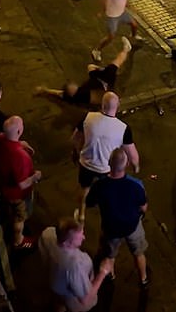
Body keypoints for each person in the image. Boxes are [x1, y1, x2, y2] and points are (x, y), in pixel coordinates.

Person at [72, 90, 140, 223]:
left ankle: (81, 214)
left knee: (84, 188)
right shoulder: (123, 128)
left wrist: (77, 150)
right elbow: (132, 154)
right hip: (106, 168)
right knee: (107, 191)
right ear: (118, 106)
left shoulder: (87, 118)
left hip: (86, 163)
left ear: (102, 105)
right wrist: (136, 166)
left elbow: (74, 138)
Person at [86, 147, 149, 286]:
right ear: (126, 165)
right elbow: (143, 207)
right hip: (132, 226)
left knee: (109, 255)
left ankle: (110, 276)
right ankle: (143, 279)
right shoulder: (136, 185)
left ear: (109, 163)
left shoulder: (99, 186)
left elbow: (89, 203)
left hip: (111, 228)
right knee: (139, 253)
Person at [35, 36, 132, 106]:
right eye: (71, 88)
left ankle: (123, 52)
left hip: (98, 79)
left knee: (91, 66)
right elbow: (58, 93)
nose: (73, 85)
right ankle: (126, 49)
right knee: (116, 63)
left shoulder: (80, 90)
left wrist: (45, 90)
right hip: (104, 83)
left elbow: (58, 93)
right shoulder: (82, 96)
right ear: (71, 93)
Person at [42, 218, 111, 312]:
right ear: (66, 243)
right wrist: (103, 273)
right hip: (72, 297)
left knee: (59, 303)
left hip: (57, 286)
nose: (84, 237)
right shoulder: (74, 266)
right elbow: (85, 300)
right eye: (80, 236)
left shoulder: (48, 234)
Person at [0, 115, 41, 248]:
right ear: (19, 131)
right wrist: (35, 177)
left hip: (2, 185)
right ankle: (18, 241)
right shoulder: (20, 157)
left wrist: (19, 143)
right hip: (17, 194)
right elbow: (22, 183)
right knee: (19, 217)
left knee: (10, 210)